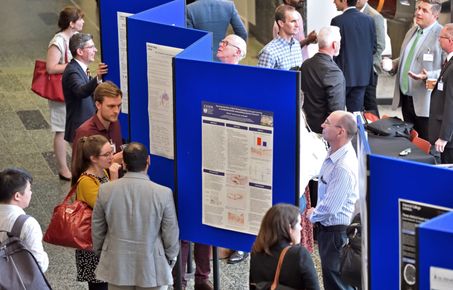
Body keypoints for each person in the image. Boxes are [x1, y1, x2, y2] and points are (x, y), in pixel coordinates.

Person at [92, 142, 179, 290]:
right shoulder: (163, 193)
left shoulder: (105, 190)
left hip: (117, 265)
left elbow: (97, 229)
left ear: (124, 164)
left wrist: (103, 253)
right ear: (148, 161)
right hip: (152, 267)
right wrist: (169, 258)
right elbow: (170, 233)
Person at [307, 111, 359, 290]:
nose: (322, 124)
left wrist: (313, 214)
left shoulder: (343, 167)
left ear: (340, 132)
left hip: (335, 235)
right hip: (329, 232)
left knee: (337, 283)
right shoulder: (334, 151)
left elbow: (330, 208)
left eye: (327, 122)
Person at [71, 134, 121, 290]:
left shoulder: (102, 172)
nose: (111, 157)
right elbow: (109, 208)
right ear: (93, 158)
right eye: (106, 154)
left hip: (104, 241)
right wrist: (114, 179)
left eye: (111, 152)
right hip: (93, 245)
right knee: (99, 286)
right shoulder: (86, 181)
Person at [390, 0, 443, 140]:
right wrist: (393, 64)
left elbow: (449, 68)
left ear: (435, 15)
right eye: (418, 8)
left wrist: (429, 75)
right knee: (411, 142)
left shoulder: (442, 36)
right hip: (406, 99)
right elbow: (407, 58)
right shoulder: (412, 31)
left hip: (426, 103)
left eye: (424, 10)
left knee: (425, 144)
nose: (418, 12)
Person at [46, 6, 85, 181]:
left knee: (72, 126)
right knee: (61, 129)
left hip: (72, 90)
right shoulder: (58, 41)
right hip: (60, 91)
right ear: (71, 23)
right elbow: (51, 67)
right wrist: (74, 66)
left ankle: (76, 163)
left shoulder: (75, 38)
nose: (83, 22)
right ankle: (63, 168)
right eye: (80, 19)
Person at [249, 203, 319, 290]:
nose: (301, 228)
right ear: (289, 228)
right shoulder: (299, 254)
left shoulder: (256, 252)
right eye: (299, 223)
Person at [0, 168, 49, 272]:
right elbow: (38, 265)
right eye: (29, 189)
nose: (31, 193)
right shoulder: (27, 224)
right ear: (17, 196)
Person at [331, 0, 375, 112]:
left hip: (343, 75)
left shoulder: (337, 21)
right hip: (362, 76)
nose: (333, 2)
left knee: (338, 114)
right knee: (355, 115)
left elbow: (334, 50)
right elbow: (373, 48)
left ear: (344, 1)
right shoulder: (369, 20)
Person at [62, 33, 108, 143]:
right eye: (91, 47)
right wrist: (97, 77)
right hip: (80, 132)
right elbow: (80, 91)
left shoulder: (82, 69)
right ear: (80, 51)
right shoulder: (72, 71)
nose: (95, 50)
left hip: (87, 128)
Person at [301, 26, 346, 134]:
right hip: (323, 133)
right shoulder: (333, 73)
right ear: (334, 44)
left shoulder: (306, 65)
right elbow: (337, 112)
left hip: (304, 127)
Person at [72, 81, 123, 165]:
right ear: (98, 105)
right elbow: (78, 170)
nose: (116, 111)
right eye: (111, 106)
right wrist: (113, 160)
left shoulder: (115, 123)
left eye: (119, 105)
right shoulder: (85, 132)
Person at [356, 0, 386, 117]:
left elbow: (380, 45)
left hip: (370, 69)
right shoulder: (350, 13)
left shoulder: (375, 16)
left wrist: (367, 65)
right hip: (356, 69)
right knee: (359, 103)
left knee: (370, 104)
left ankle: (377, 131)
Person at [429, 23, 453, 163]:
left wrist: (444, 137)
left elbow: (451, 104)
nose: (439, 40)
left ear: (450, 41)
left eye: (441, 37)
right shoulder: (448, 62)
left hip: (449, 140)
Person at [258, 4, 303, 70]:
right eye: (293, 21)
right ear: (281, 23)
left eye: (297, 21)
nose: (297, 25)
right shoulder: (269, 52)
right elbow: (261, 78)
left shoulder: (296, 45)